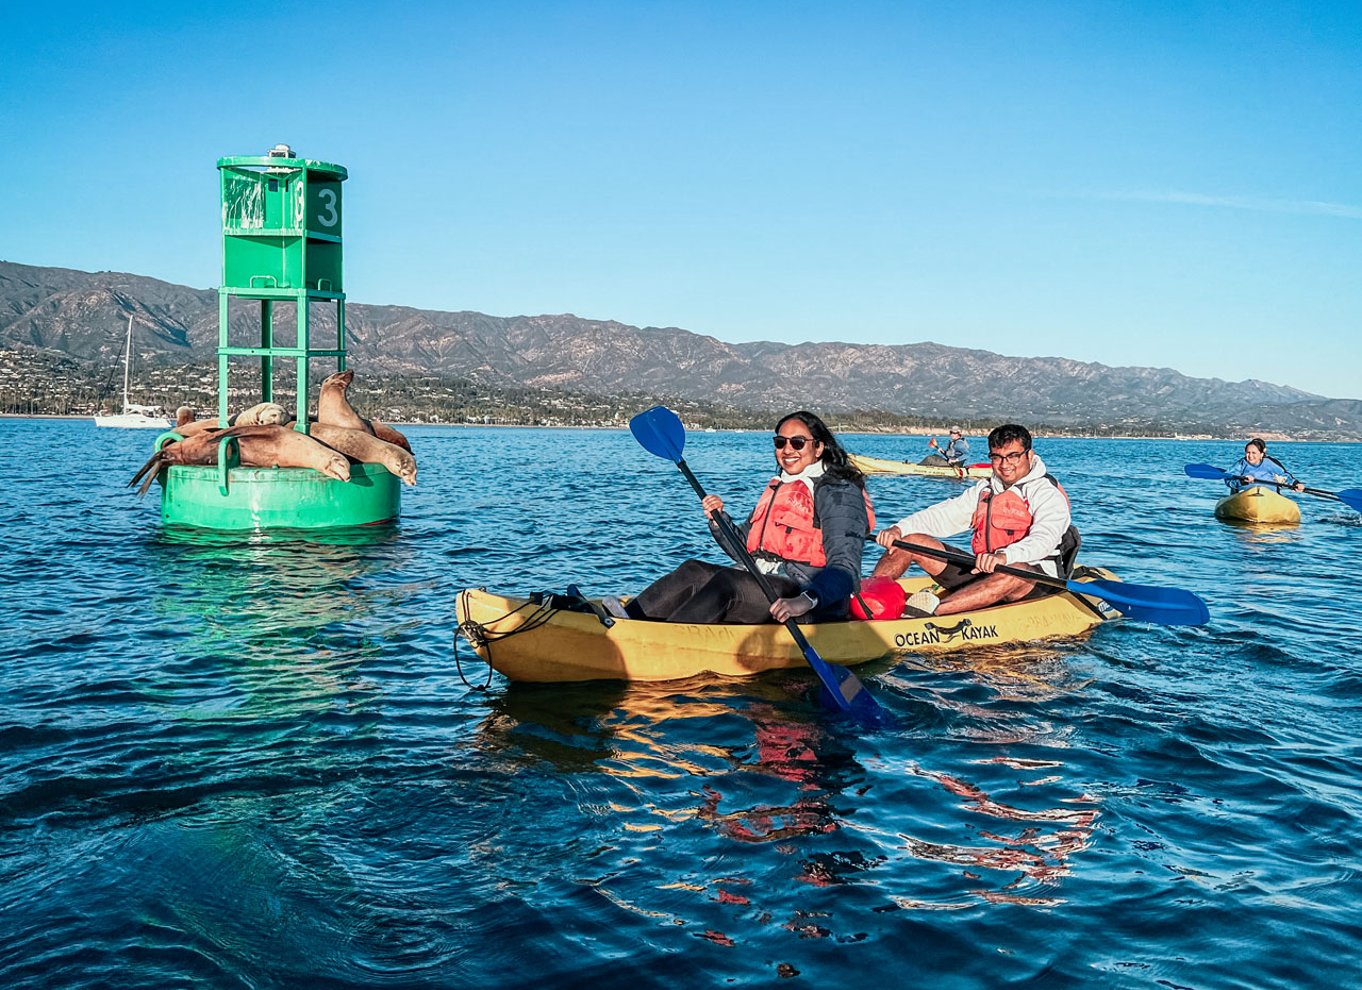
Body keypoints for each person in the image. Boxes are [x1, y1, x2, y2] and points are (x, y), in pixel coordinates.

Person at [608, 411, 873, 625]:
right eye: (780, 442)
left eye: (798, 442)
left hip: (809, 598)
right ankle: (628, 620)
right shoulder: (781, 484)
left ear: (818, 448)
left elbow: (846, 567)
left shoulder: (838, 490)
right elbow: (744, 549)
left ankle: (657, 643)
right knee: (695, 570)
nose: (787, 449)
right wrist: (719, 521)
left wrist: (806, 600)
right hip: (763, 579)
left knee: (728, 584)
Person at [872, 423, 1074, 617]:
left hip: (1033, 580)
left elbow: (1044, 539)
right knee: (910, 541)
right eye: (997, 457)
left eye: (1013, 456)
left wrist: (1004, 557)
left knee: (1015, 570)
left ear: (1029, 455)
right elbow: (944, 515)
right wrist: (898, 529)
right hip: (985, 571)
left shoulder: (1047, 493)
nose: (1005, 465)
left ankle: (931, 614)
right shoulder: (984, 490)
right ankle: (870, 599)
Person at [1225, 438, 1305, 493]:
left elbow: (1284, 477)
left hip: (1270, 495)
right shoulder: (1240, 464)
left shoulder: (1269, 463)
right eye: (1248, 452)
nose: (1250, 456)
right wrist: (1242, 481)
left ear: (1261, 454)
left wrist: (1295, 484)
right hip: (1245, 495)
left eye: (1254, 453)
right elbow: (1229, 480)